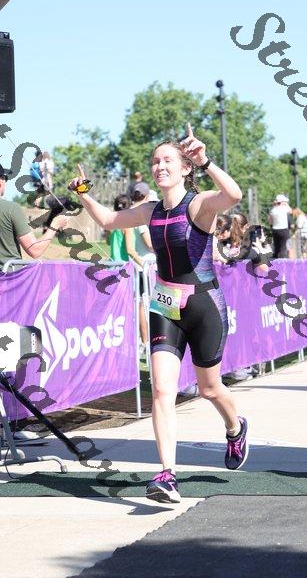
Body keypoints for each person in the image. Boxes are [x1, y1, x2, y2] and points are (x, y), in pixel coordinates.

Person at [68, 123, 248, 504]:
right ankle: (167, 475)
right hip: (164, 305)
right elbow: (108, 221)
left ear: (185, 168)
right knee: (163, 391)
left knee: (209, 388)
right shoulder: (150, 210)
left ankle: (235, 427)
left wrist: (207, 161)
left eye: (168, 160)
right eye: (155, 161)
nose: (159, 166)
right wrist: (83, 194)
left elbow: (233, 195)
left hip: (203, 306)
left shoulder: (198, 205)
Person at [0, 164, 67, 269]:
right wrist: (55, 225)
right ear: (1, 181)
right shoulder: (12, 209)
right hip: (8, 277)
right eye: (6, 178)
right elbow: (35, 251)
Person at [128, 181, 155, 350]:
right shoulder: (140, 217)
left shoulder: (129, 214)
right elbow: (150, 244)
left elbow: (130, 249)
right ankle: (147, 342)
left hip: (140, 268)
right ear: (147, 197)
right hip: (147, 268)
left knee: (142, 304)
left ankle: (145, 342)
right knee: (145, 306)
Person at [108, 194, 133, 262]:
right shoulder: (127, 225)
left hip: (112, 263)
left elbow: (108, 242)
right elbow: (130, 250)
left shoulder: (110, 223)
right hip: (124, 265)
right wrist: (142, 264)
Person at [269, 194, 292, 258]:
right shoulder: (284, 208)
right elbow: (291, 211)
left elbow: (270, 221)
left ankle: (274, 260)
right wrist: (286, 204)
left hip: (275, 230)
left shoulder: (273, 210)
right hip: (283, 230)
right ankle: (283, 260)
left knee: (276, 246)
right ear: (282, 202)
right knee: (283, 247)